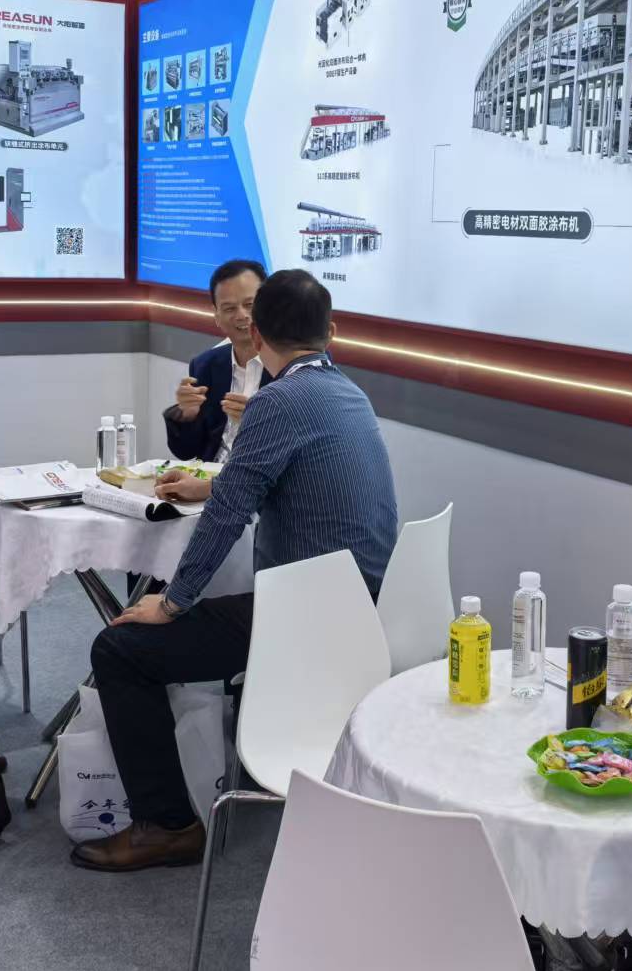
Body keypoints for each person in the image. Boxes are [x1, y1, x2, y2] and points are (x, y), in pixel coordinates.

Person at [75, 269, 398, 872]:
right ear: (330, 332)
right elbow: (257, 486)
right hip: (363, 610)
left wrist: (172, 601)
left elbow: (226, 514)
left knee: (119, 649)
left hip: (307, 621)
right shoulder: (348, 393)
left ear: (258, 333)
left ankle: (167, 826)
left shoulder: (277, 401)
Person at [164, 258, 274, 462]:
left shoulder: (291, 367)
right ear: (217, 317)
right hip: (210, 475)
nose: (242, 315)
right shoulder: (205, 365)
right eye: (230, 308)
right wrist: (188, 414)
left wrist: (255, 423)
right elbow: (186, 451)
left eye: (249, 305)